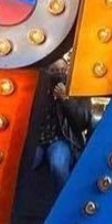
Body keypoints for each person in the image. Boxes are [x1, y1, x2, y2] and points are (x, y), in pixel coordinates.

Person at [32, 57, 93, 194]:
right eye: (54, 71)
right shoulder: (39, 90)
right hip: (38, 139)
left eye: (62, 70)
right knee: (23, 165)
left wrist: (65, 99)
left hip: (62, 139)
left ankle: (66, 200)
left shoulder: (77, 89)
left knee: (58, 164)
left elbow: (82, 122)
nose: (59, 74)